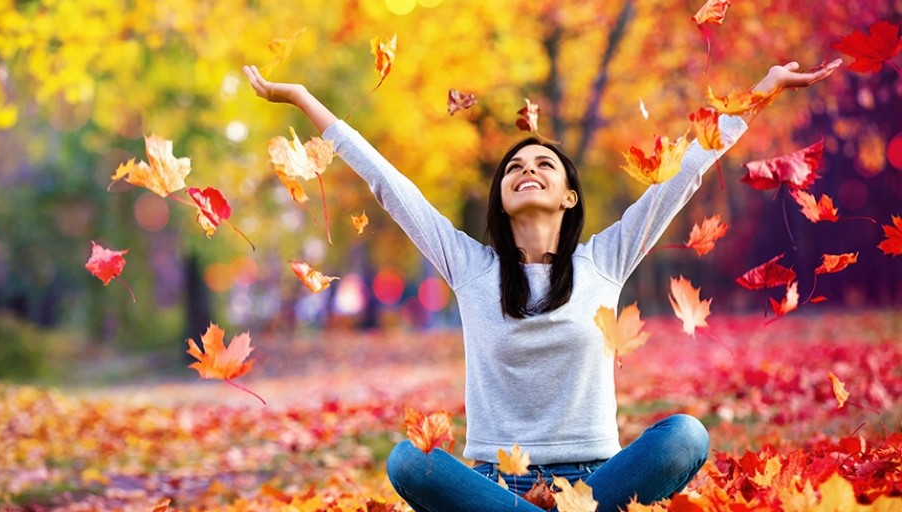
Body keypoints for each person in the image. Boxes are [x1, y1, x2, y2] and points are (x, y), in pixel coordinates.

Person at [244, 57, 840, 511]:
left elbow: (686, 172)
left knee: (685, 435)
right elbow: (387, 184)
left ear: (568, 195)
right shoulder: (470, 266)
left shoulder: (605, 259)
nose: (526, 169)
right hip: (494, 486)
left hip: (596, 480)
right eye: (515, 168)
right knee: (407, 460)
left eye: (543, 165)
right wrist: (303, 101)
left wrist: (763, 91)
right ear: (502, 199)